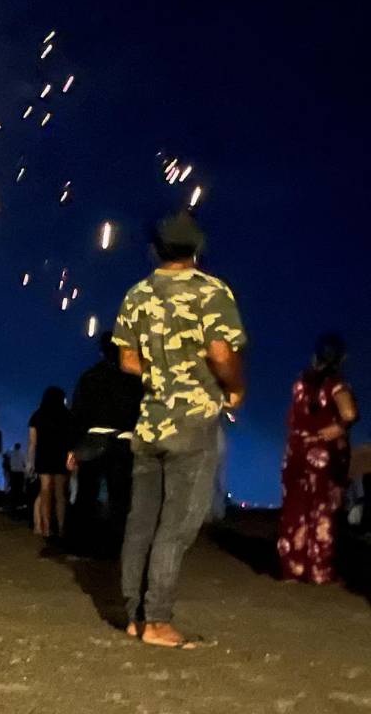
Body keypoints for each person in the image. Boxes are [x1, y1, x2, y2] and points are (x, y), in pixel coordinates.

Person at [114, 211, 245, 649]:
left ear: (155, 248)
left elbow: (127, 360)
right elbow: (222, 352)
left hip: (149, 422)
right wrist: (234, 388)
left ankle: (133, 615)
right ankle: (158, 620)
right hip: (192, 422)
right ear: (197, 248)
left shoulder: (137, 294)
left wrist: (163, 373)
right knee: (178, 524)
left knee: (142, 521)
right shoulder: (211, 291)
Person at [278, 334, 359, 584]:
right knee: (322, 510)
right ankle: (319, 570)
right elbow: (349, 412)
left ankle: (293, 568)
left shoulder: (301, 384)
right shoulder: (336, 385)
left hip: (297, 453)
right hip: (323, 456)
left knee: (295, 508)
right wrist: (340, 427)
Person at [68, 331, 143, 557]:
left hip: (92, 441)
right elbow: (142, 411)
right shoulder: (134, 378)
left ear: (101, 350)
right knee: (120, 499)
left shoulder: (89, 377)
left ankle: (80, 546)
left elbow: (78, 414)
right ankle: (117, 548)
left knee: (86, 496)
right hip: (124, 442)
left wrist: (74, 447)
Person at [28, 387, 73, 539]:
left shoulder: (37, 415)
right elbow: (72, 439)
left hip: (43, 455)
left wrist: (30, 461)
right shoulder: (67, 415)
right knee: (60, 493)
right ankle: (61, 528)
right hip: (61, 455)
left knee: (45, 490)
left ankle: (46, 528)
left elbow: (32, 442)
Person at [7, 443, 27, 510]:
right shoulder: (22, 454)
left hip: (13, 473)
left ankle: (13, 504)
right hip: (20, 473)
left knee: (13, 488)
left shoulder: (11, 453)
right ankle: (19, 504)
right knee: (19, 489)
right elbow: (24, 463)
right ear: (19, 447)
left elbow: (8, 461)